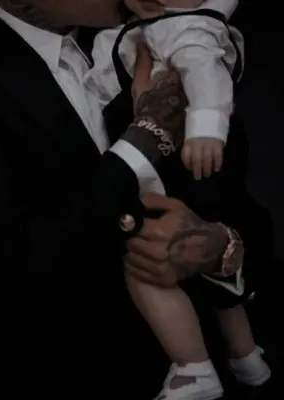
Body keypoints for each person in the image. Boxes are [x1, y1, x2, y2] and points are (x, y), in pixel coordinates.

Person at [0, 0, 265, 398]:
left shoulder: (162, 43)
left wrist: (219, 249)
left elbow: (250, 217)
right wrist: (142, 141)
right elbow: (16, 266)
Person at [82, 0, 272, 398]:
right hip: (175, 162)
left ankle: (193, 368)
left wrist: (205, 128)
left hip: (181, 162)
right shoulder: (134, 31)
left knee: (144, 263)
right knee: (213, 266)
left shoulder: (185, 26)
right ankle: (247, 358)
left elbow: (203, 71)